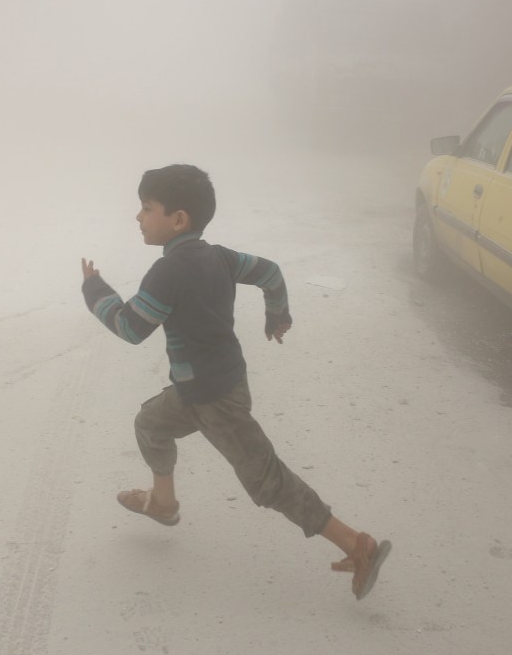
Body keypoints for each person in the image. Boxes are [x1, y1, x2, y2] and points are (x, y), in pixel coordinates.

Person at [79, 163, 391, 600]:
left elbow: (131, 328)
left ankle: (358, 545)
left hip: (216, 400)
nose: (138, 217)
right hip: (204, 388)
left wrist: (95, 291)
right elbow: (270, 272)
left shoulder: (168, 272)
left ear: (178, 219)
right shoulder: (219, 256)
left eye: (147, 209)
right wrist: (277, 314)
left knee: (268, 482)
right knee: (150, 423)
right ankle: (164, 504)